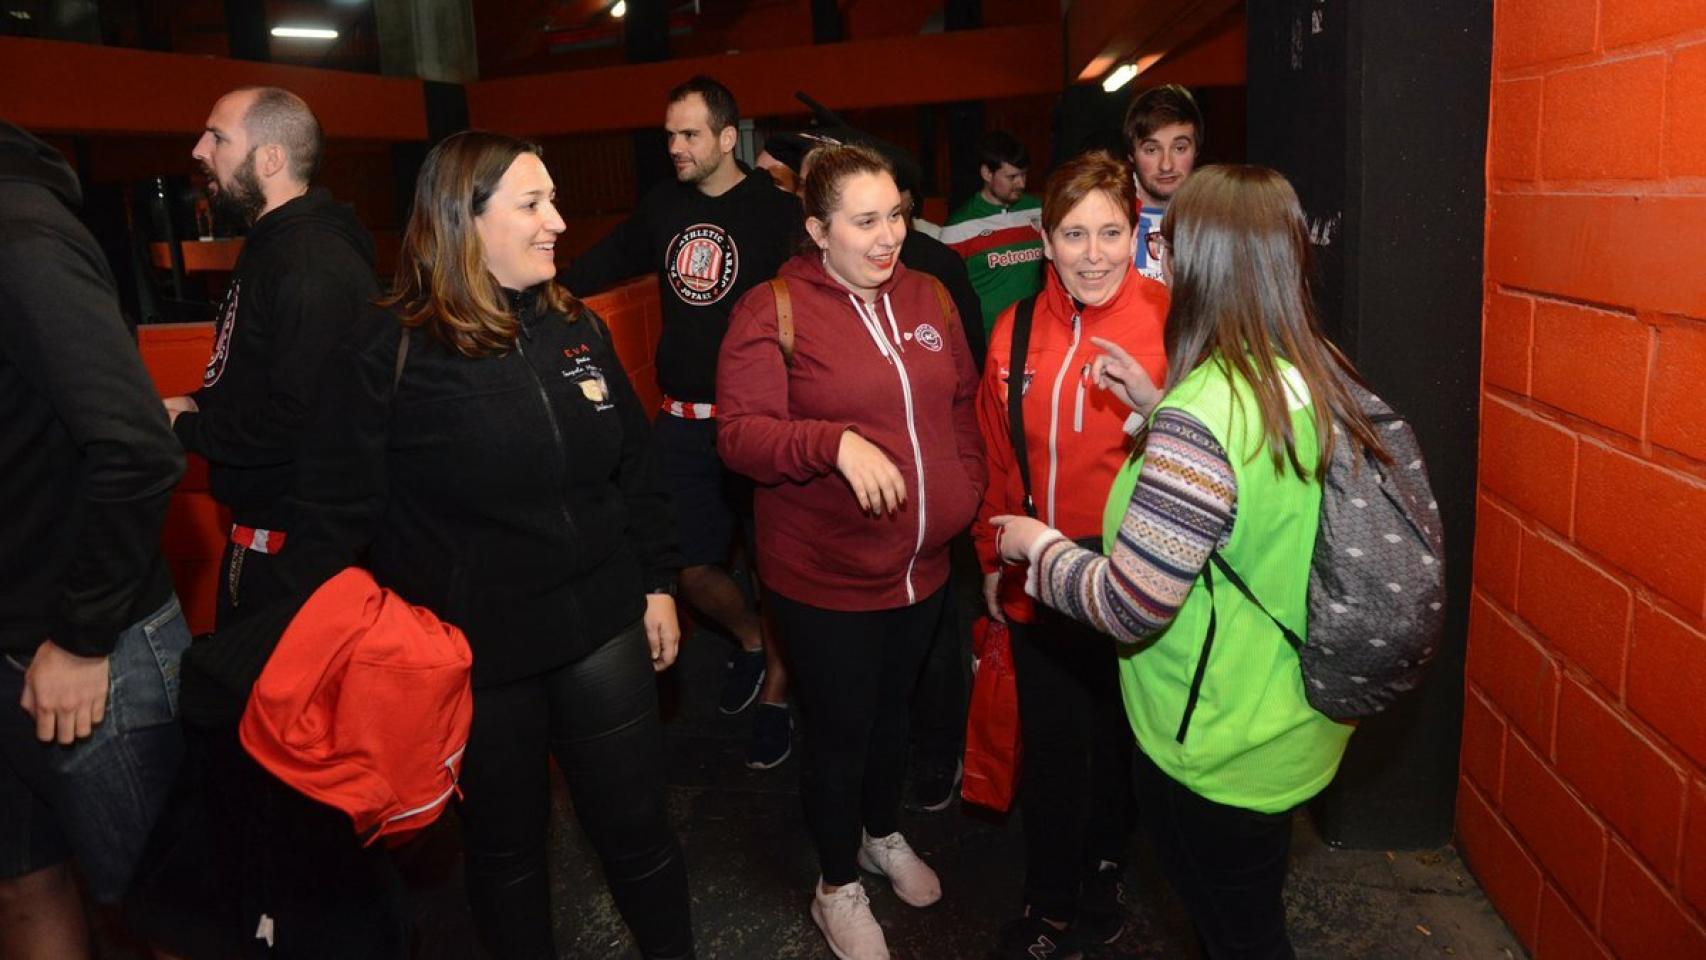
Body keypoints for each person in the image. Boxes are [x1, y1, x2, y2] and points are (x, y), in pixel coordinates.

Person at [263, 130, 694, 959]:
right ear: (464, 220)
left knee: (639, 835)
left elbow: (633, 472)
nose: (558, 222)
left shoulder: (575, 329)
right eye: (532, 204)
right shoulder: (386, 350)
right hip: (476, 661)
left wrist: (660, 580)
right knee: (505, 857)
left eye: (553, 200)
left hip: (600, 629)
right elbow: (331, 522)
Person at [992, 165, 1392, 959]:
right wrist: (1156, 408)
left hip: (1217, 740)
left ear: (1196, 264)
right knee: (1247, 912)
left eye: (1160, 247)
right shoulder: (1309, 372)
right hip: (1293, 718)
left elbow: (1129, 605)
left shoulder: (1204, 411)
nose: (1147, 261)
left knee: (1239, 933)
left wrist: (1036, 548)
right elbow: (1247, 499)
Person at [717, 144, 985, 960]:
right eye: (865, 221)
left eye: (896, 215)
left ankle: (882, 833)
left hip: (924, 568)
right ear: (816, 229)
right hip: (825, 578)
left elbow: (964, 406)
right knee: (839, 733)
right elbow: (740, 437)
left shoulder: (930, 292)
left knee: (893, 720)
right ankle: (835, 885)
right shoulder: (773, 308)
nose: (888, 236)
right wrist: (831, 442)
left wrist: (967, 490)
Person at [563, 75, 800, 767]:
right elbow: (596, 265)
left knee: (777, 569)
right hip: (683, 424)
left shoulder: (773, 212)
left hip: (760, 420)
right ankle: (755, 642)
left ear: (729, 138)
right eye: (670, 134)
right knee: (687, 565)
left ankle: (780, 697)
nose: (675, 147)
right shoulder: (664, 206)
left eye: (689, 134)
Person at [973, 150, 1169, 959]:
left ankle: (1103, 869)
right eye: (1075, 233)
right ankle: (1047, 898)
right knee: (1054, 747)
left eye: (1111, 232)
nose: (1094, 253)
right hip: (1042, 570)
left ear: (1136, 234)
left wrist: (1157, 408)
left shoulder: (1176, 315)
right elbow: (995, 453)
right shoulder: (1014, 329)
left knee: (1122, 740)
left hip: (1137, 574)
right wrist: (993, 551)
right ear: (1045, 241)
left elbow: (1218, 453)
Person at [0, 120, 189, 959]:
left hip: (85, 655)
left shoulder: (19, 234)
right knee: (23, 884)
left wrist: (78, 641)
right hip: (12, 643)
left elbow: (140, 448)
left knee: (164, 912)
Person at [163, 86, 379, 627]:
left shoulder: (310, 265)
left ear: (271, 158)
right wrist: (191, 404)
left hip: (295, 554)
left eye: (217, 137)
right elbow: (254, 375)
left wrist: (186, 432)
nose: (199, 149)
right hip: (271, 539)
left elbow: (297, 421)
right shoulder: (276, 249)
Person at [942, 130, 1046, 337]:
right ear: (987, 174)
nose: (1022, 184)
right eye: (1012, 177)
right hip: (989, 340)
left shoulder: (1040, 211)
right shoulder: (958, 228)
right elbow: (947, 295)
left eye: (1024, 174)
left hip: (1038, 333)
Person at [1124, 84, 1203, 282]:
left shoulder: (1217, 221)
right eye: (1152, 150)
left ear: (1197, 151)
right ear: (1131, 155)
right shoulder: (1105, 216)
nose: (1166, 165)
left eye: (1179, 148)